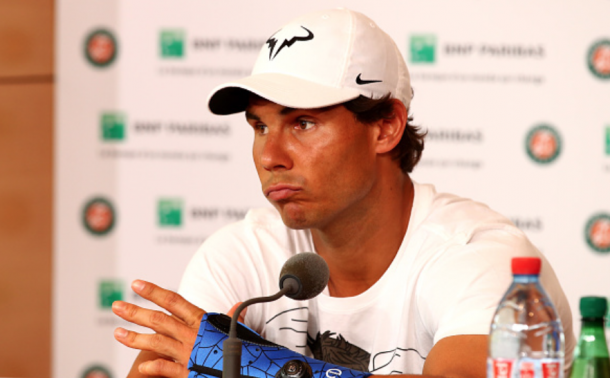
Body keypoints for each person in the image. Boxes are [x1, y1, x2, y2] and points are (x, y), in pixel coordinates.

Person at [112, 8, 575, 378]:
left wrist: (250, 367)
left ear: (386, 126)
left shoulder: (479, 258)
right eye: (259, 126)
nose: (270, 155)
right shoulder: (242, 254)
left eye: (303, 123)